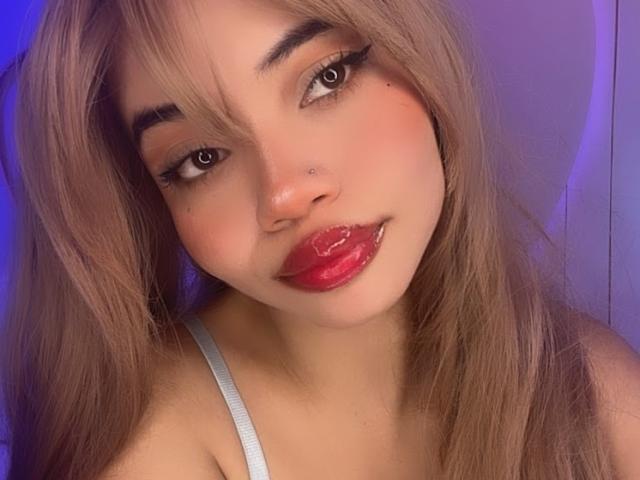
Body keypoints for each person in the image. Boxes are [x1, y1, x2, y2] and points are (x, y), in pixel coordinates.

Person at [0, 0, 639, 479]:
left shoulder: (593, 395)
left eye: (326, 78)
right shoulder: (150, 452)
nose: (286, 194)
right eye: (200, 157)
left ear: (419, 53)